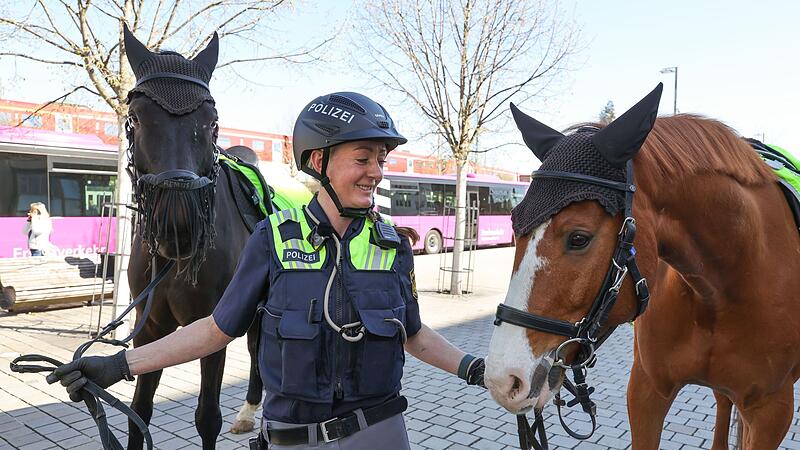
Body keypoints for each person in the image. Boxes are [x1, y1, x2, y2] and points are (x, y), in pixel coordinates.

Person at [47, 92, 486, 449]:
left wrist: (477, 369)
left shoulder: (393, 246)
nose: (377, 172)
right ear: (319, 161)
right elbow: (214, 330)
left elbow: (414, 334)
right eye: (363, 158)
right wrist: (123, 364)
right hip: (293, 441)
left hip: (381, 435)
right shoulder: (271, 240)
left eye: (381, 160)